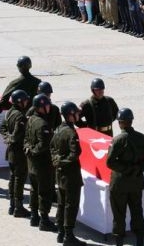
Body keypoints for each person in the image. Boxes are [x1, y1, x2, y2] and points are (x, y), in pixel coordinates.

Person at [107, 108, 144, 246]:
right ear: (131, 121)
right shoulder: (143, 138)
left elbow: (110, 162)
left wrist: (126, 169)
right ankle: (140, 240)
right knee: (137, 211)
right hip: (136, 181)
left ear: (120, 123)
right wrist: (138, 168)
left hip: (120, 183)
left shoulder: (118, 140)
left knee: (119, 213)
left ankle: (119, 242)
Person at [51, 101, 86, 246]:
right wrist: (63, 161)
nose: (78, 115)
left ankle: (60, 232)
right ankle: (68, 236)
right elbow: (75, 153)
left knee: (61, 203)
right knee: (71, 205)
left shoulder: (59, 128)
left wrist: (57, 161)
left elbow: (52, 148)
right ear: (70, 115)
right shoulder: (71, 132)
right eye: (76, 113)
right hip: (70, 175)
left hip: (60, 174)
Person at [24, 93, 57, 232]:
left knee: (34, 189)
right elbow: (44, 145)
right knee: (45, 191)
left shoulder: (31, 119)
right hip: (42, 164)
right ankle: (44, 220)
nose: (49, 107)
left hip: (31, 164)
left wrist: (28, 149)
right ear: (40, 108)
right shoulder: (43, 124)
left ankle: (34, 216)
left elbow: (25, 138)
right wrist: (33, 151)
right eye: (46, 105)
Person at [0, 89, 31, 217]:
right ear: (19, 102)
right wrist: (11, 139)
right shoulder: (20, 116)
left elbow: (2, 128)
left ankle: (12, 205)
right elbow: (18, 134)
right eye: (25, 100)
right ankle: (18, 206)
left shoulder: (9, 113)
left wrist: (7, 139)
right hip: (19, 152)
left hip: (11, 151)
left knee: (13, 178)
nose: (27, 102)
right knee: (19, 179)